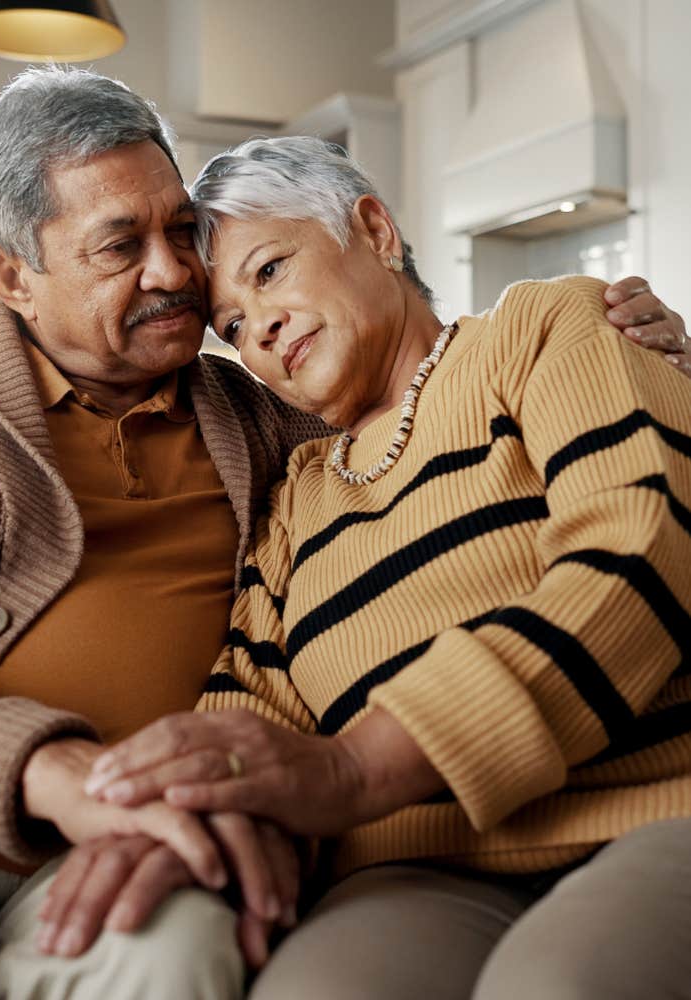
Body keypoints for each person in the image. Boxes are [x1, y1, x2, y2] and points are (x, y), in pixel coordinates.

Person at [0, 65, 685, 999]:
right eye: (121, 246)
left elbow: (608, 505)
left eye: (184, 235)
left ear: (374, 229)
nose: (175, 276)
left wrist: (642, 357)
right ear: (12, 277)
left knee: (171, 951)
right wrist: (98, 782)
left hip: (185, 836)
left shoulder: (310, 414)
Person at [82, 135, 691, 1000]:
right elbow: (253, 703)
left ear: (374, 230)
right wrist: (182, 819)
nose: (263, 329)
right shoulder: (297, 496)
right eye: (235, 328)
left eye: (269, 271)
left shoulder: (543, 329)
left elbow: (639, 553)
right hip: (415, 865)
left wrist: (358, 767)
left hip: (651, 808)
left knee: (558, 986)